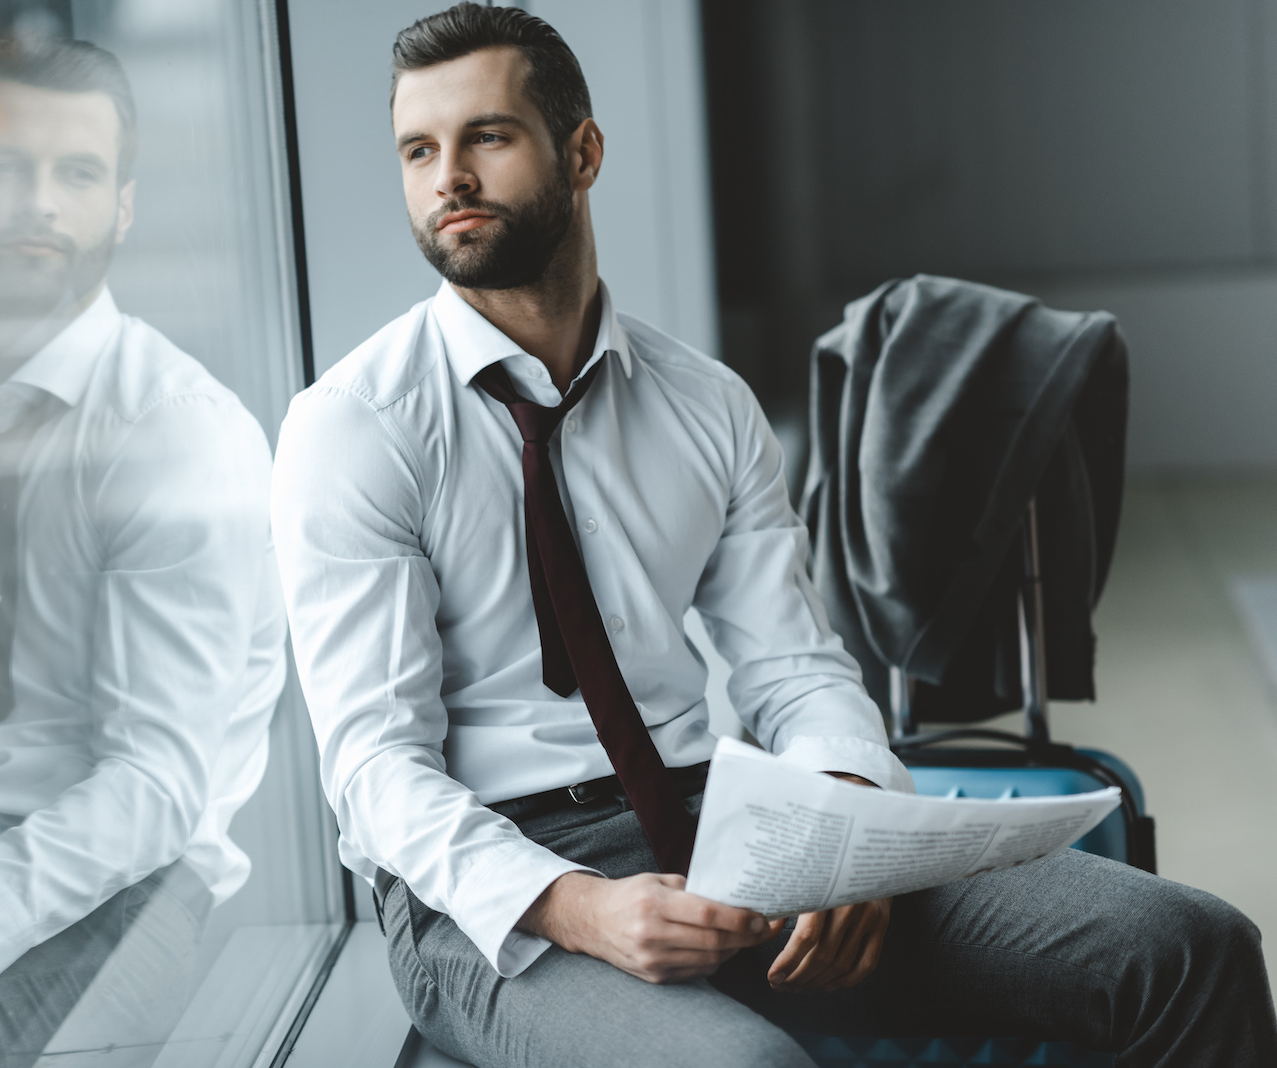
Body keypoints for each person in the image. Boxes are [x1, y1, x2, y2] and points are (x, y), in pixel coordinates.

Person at [269, 6, 1276, 1066]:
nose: (448, 180)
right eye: (418, 150)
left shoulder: (704, 403)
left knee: (1188, 945)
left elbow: (792, 669)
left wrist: (844, 828)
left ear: (582, 151)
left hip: (723, 827)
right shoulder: (353, 428)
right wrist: (575, 906)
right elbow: (376, 769)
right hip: (492, 893)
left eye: (487, 136)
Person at [0, 37, 286, 1067]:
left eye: (77, 173)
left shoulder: (174, 431)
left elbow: (152, 792)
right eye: (6, 168)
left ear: (123, 208)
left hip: (126, 882)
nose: (38, 203)